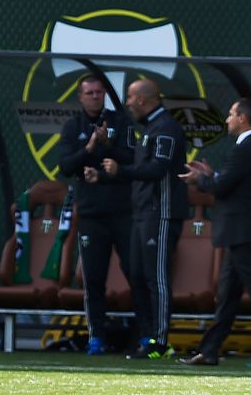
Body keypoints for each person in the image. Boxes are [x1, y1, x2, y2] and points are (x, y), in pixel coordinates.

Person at [176, 98, 251, 366]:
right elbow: (236, 184)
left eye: (230, 114)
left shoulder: (247, 148)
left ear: (242, 118)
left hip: (244, 232)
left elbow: (222, 188)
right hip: (245, 230)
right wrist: (213, 176)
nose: (227, 119)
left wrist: (200, 180)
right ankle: (210, 349)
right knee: (227, 295)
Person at [96, 78, 188, 359]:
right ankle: (146, 335)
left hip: (160, 214)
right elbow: (140, 164)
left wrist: (119, 171)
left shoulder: (166, 128)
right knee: (135, 274)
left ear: (143, 99)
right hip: (142, 213)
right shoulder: (149, 128)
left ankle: (159, 342)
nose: (127, 103)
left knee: (155, 277)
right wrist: (110, 149)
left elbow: (157, 169)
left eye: (130, 97)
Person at [59, 74, 134, 355]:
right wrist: (89, 148)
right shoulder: (72, 126)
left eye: (98, 92)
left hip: (122, 212)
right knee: (92, 278)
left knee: (135, 273)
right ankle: (96, 338)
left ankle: (145, 337)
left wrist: (107, 146)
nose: (94, 96)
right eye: (89, 92)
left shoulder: (120, 122)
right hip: (91, 214)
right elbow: (65, 166)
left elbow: (131, 159)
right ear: (80, 96)